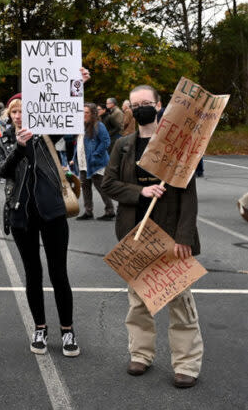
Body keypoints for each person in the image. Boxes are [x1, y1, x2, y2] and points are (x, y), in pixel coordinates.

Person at [100, 85, 203, 389]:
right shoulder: (123, 145)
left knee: (180, 303)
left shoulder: (178, 146)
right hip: (136, 232)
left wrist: (184, 236)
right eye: (135, 104)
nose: (141, 107)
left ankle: (186, 363)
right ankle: (140, 354)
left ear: (160, 106)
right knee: (139, 300)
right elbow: (109, 184)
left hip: (171, 233)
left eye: (147, 102)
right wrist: (140, 191)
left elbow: (189, 195)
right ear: (129, 109)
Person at [0, 76, 87, 359]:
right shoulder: (4, 141)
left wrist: (77, 85)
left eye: (24, 109)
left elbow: (67, 114)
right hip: (21, 214)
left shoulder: (47, 135)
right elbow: (2, 171)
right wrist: (20, 148)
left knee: (59, 272)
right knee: (32, 273)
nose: (20, 115)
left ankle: (67, 329)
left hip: (52, 212)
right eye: (14, 111)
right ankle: (40, 327)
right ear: (8, 116)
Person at [71, 103, 115, 220]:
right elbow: (79, 144)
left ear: (93, 114)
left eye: (87, 112)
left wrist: (96, 154)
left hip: (95, 163)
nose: (84, 115)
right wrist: (74, 158)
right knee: (85, 187)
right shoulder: (80, 126)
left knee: (100, 187)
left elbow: (106, 141)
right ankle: (88, 211)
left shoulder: (98, 125)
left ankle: (110, 211)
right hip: (83, 163)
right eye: (82, 112)